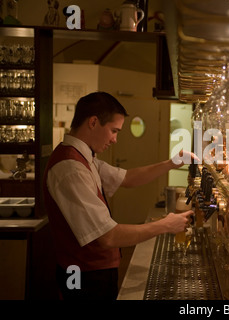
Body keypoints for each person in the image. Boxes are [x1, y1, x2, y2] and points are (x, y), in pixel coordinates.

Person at [43, 91, 195, 300]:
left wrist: (172, 162)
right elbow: (108, 237)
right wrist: (165, 225)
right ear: (93, 122)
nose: (115, 140)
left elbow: (128, 178)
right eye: (114, 131)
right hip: (79, 274)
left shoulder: (85, 157)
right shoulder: (70, 168)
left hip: (94, 271)